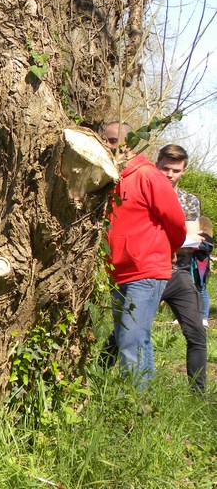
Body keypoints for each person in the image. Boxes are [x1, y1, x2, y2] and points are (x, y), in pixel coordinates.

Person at [101, 123, 186, 386]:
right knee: (135, 338)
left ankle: (131, 407)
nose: (108, 146)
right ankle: (144, 405)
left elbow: (177, 224)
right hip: (118, 270)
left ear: (129, 143)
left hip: (145, 270)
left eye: (114, 140)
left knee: (130, 339)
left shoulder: (149, 175)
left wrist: (158, 251)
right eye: (106, 140)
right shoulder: (109, 175)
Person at [155, 144, 208, 391]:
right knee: (126, 333)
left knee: (197, 333)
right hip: (148, 273)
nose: (169, 174)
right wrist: (176, 241)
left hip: (179, 275)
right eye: (165, 168)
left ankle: (197, 395)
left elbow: (192, 241)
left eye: (175, 170)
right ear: (157, 165)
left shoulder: (188, 201)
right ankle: (99, 376)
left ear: (184, 171)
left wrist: (167, 241)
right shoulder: (145, 195)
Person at [192, 216, 213, 327]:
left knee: (202, 289)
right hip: (191, 265)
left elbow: (206, 247)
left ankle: (204, 317)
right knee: (189, 289)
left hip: (201, 267)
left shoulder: (206, 237)